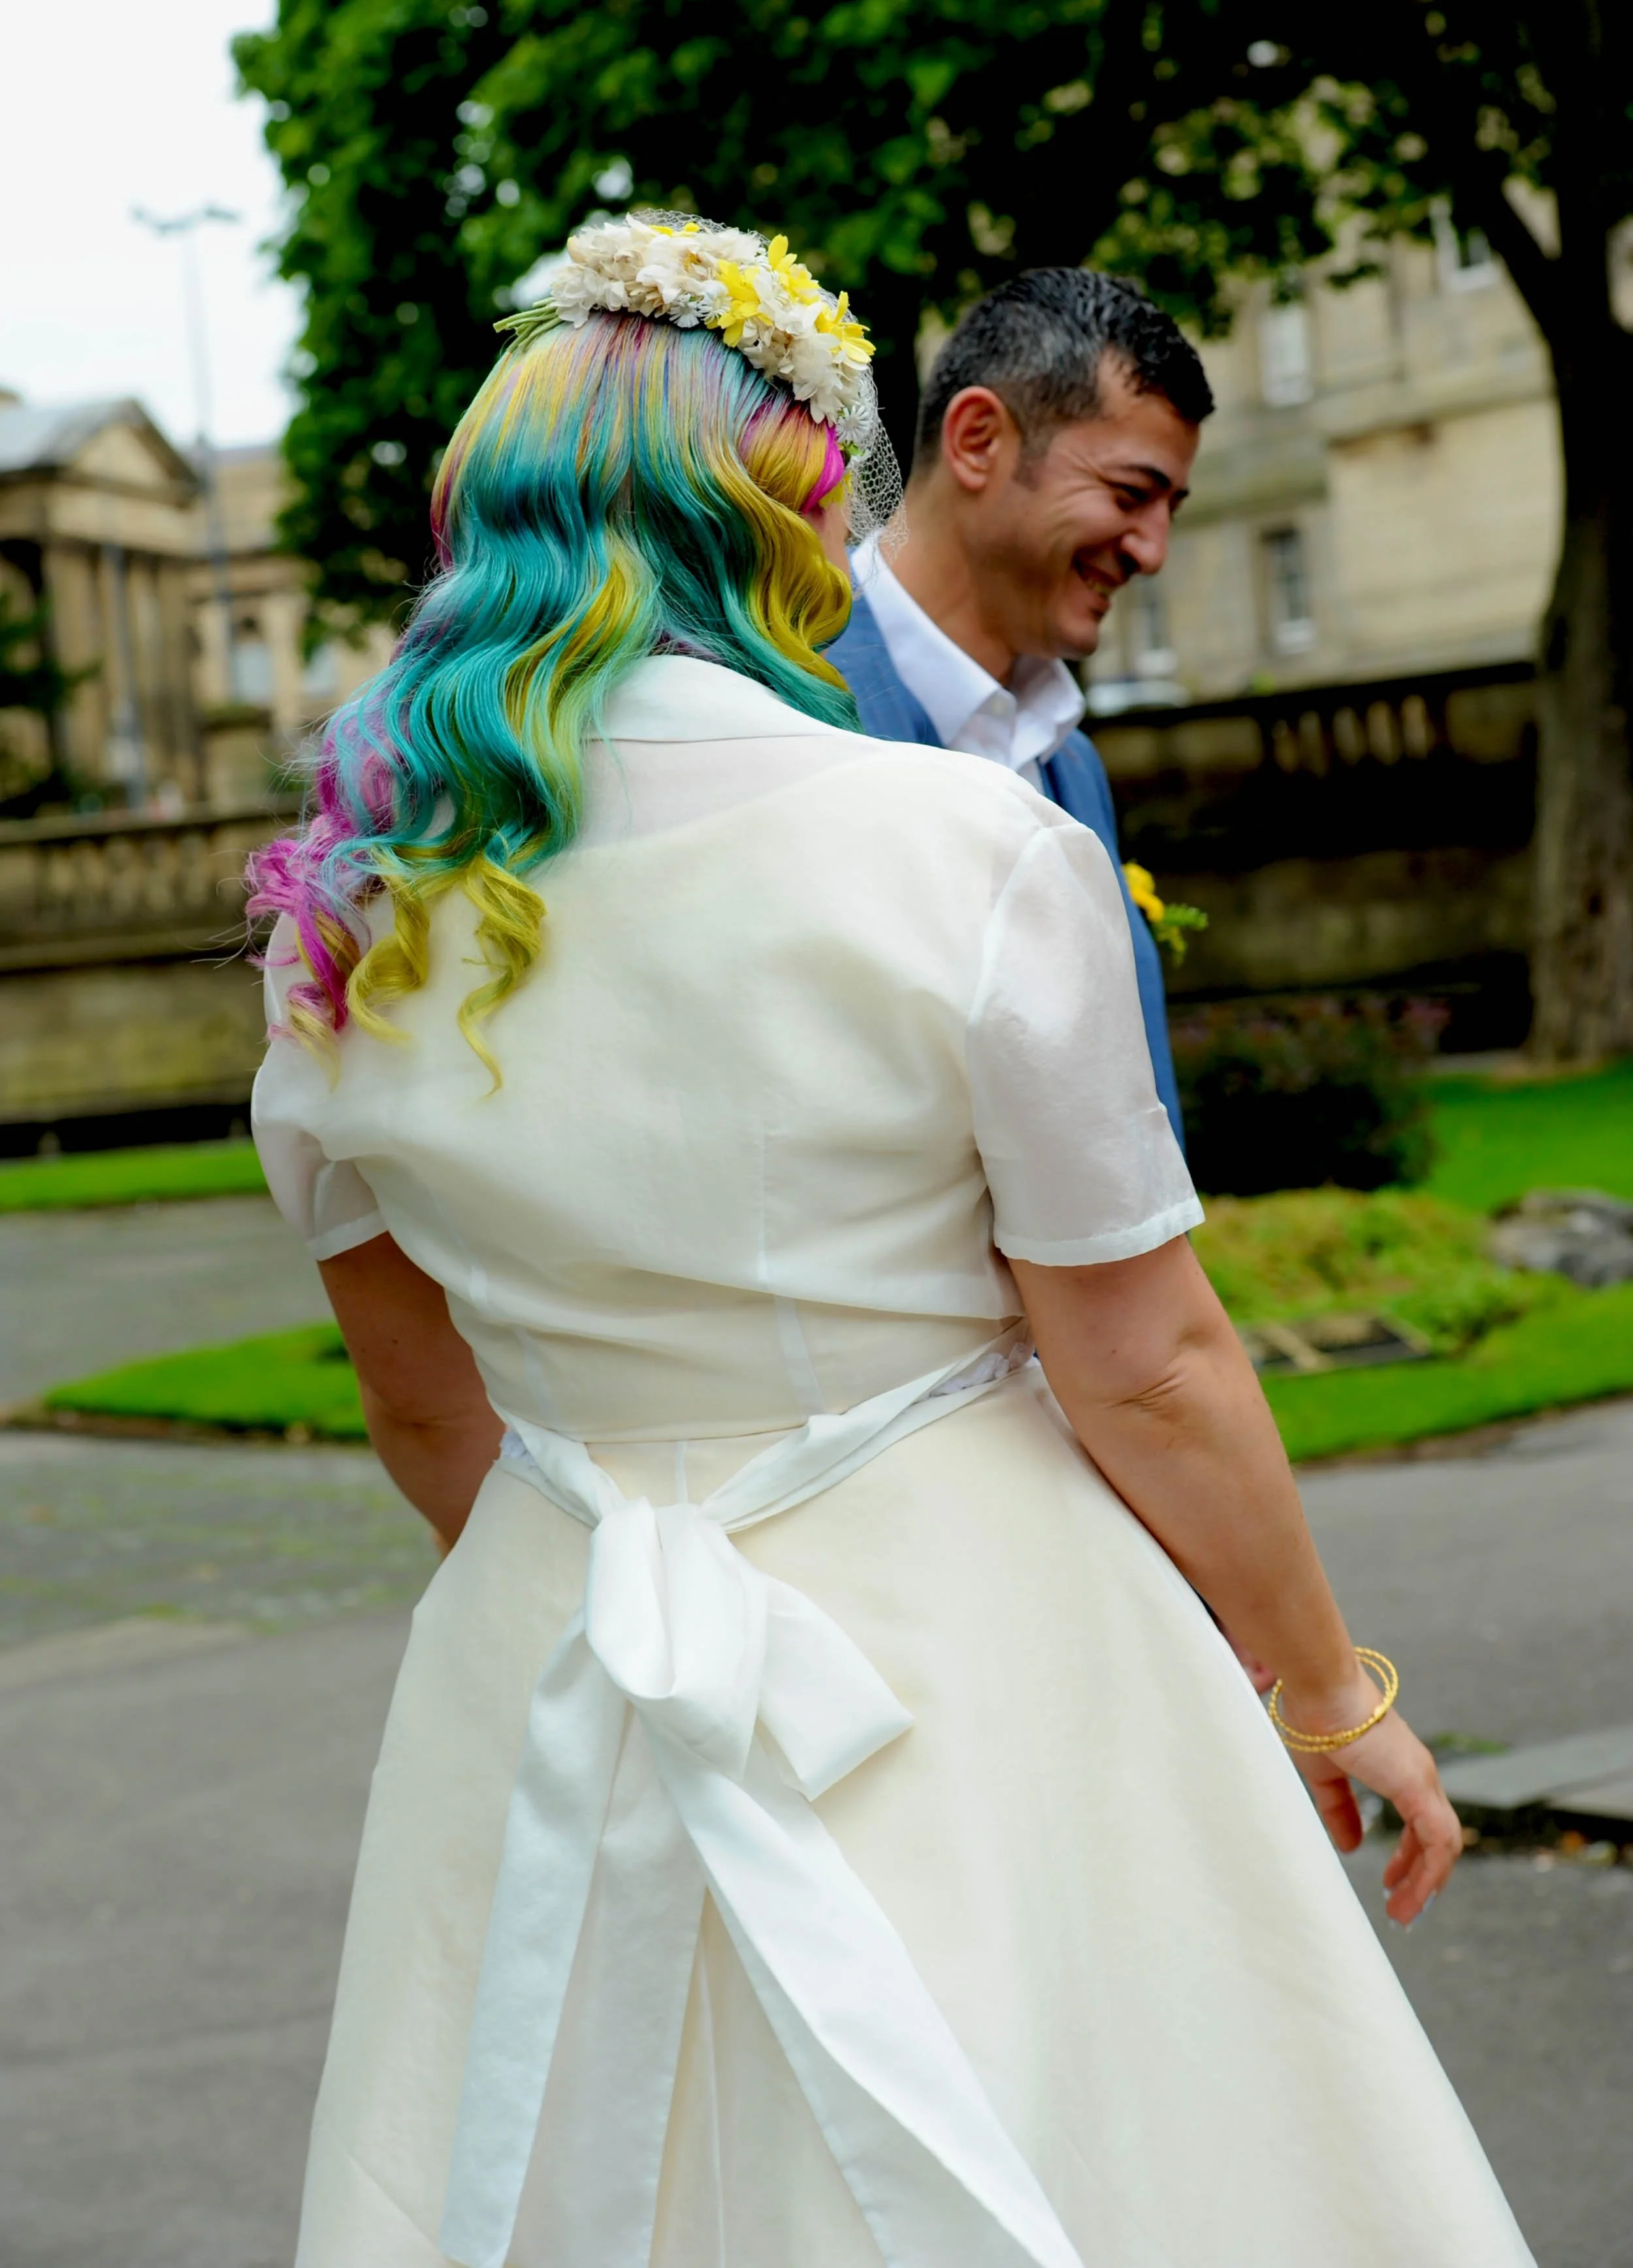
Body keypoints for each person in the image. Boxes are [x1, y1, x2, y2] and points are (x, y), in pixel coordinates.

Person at [249, 212, 1534, 2268]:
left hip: (553, 1654)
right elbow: (1147, 1359)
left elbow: (426, 1420)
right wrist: (1323, 1688)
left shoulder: (350, 937)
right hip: (968, 1648)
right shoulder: (957, 850)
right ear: (788, 515)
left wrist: (617, 1584)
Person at [827, 269, 1206, 1145]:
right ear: (978, 441)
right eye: (1130, 494)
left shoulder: (1073, 763)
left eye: (1170, 508)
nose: (1154, 551)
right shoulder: (788, 708)